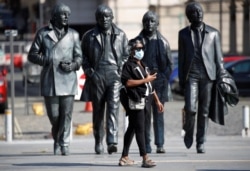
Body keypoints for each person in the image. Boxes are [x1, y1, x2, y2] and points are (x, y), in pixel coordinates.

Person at [28, 3, 82, 156]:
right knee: (55, 116)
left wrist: (73, 65)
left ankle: (64, 143)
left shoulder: (74, 35)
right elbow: (32, 55)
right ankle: (57, 138)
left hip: (68, 80)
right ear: (55, 16)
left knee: (67, 115)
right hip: (50, 81)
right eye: (63, 14)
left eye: (68, 15)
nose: (66, 17)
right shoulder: (43, 34)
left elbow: (79, 57)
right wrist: (47, 59)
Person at [80, 4, 129, 155]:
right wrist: (90, 72)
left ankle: (112, 141)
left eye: (107, 16)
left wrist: (120, 69)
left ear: (112, 17)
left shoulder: (121, 35)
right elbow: (83, 57)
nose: (104, 19)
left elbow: (126, 55)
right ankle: (98, 140)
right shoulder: (89, 36)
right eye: (101, 16)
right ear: (97, 19)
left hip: (115, 76)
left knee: (113, 108)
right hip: (97, 76)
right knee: (98, 111)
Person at [178, 2, 225, 153]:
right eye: (194, 12)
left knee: (204, 111)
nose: (198, 14)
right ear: (189, 16)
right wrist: (181, 80)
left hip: (208, 76)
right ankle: (189, 132)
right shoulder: (183, 34)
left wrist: (222, 76)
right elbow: (181, 59)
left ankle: (201, 142)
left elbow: (219, 59)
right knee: (191, 109)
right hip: (191, 75)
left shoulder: (213, 33)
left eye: (200, 11)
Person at [119, 38, 164, 168]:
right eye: (138, 49)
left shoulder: (143, 65)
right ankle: (145, 158)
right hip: (136, 100)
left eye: (142, 48)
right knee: (140, 129)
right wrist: (145, 79)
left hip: (147, 100)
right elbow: (127, 82)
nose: (141, 50)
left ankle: (124, 157)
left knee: (132, 128)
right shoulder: (129, 65)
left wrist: (157, 100)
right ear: (131, 51)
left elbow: (150, 84)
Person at [137, 11, 172, 153]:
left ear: (157, 24)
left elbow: (170, 64)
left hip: (159, 80)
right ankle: (147, 144)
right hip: (143, 80)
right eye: (146, 21)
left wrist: (163, 78)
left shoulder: (163, 42)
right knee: (145, 114)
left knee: (159, 112)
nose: (149, 24)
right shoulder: (138, 41)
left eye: (152, 21)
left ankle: (160, 144)